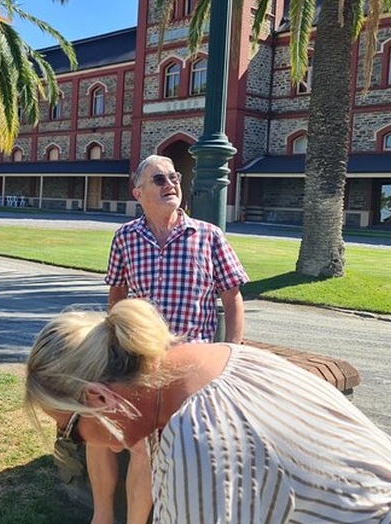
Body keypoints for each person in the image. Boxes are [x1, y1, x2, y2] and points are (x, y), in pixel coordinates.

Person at [25, 299, 391, 524]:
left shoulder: (197, 444)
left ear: (100, 400)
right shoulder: (214, 360)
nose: (74, 444)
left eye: (69, 432)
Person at [89, 154, 250, 523]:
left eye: (174, 177)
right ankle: (101, 515)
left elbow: (232, 297)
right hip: (137, 354)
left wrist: (234, 350)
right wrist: (114, 336)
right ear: (138, 192)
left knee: (145, 443)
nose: (171, 184)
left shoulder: (208, 236)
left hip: (188, 362)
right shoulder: (126, 237)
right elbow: (117, 292)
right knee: (95, 417)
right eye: (159, 179)